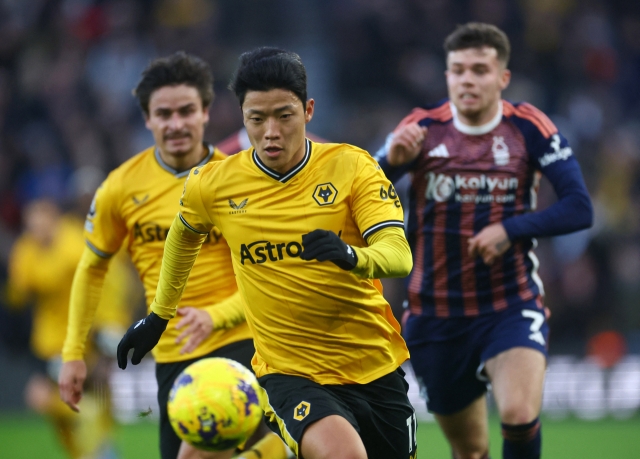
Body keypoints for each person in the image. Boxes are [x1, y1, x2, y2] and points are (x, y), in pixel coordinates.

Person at [116, 47, 418, 459]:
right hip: (289, 372)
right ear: (242, 116)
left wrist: (351, 256)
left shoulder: (353, 167)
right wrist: (158, 316)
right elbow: (182, 239)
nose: (271, 131)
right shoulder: (213, 184)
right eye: (257, 119)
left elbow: (399, 255)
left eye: (284, 115)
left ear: (308, 110)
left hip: (375, 363)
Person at [375, 23, 594, 459]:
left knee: (517, 414)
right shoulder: (420, 129)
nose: (468, 80)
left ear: (502, 78)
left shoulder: (528, 126)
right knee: (471, 449)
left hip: (509, 304)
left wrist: (510, 230)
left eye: (479, 69)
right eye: (458, 70)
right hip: (435, 313)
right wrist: (391, 163)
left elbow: (579, 207)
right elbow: (360, 193)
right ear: (447, 76)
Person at [58, 52, 290, 459]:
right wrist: (74, 352)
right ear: (147, 119)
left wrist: (216, 316)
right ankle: (282, 450)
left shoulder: (244, 179)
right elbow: (92, 268)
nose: (176, 123)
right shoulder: (120, 187)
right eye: (163, 113)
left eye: (186, 110)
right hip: (171, 353)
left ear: (205, 112)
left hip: (245, 340)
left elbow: (276, 274)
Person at [7, 198, 133, 459]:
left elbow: (108, 279)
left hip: (81, 335)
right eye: (31, 226)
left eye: (41, 224)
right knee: (64, 406)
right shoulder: (27, 250)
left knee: (45, 396)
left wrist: (112, 322)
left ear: (55, 220)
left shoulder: (75, 246)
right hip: (49, 339)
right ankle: (93, 444)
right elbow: (17, 294)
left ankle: (100, 444)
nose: (37, 231)